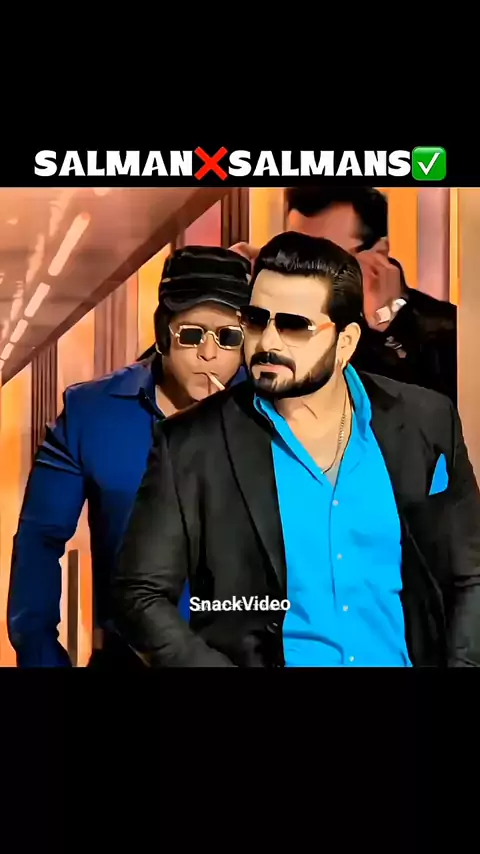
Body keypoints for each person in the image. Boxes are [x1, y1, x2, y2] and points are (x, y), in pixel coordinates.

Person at [112, 231, 480, 668]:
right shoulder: (190, 443)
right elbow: (139, 596)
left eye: (293, 326)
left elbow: (470, 574)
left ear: (346, 343)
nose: (267, 342)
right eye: (256, 320)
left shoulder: (425, 420)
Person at [7, 245, 252, 668]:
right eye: (192, 335)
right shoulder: (91, 412)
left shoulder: (273, 413)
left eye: (228, 337)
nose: (209, 354)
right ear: (162, 333)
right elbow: (39, 540)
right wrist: (41, 657)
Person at [232, 188, 457, 404]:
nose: (301, 269)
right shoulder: (269, 308)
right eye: (295, 252)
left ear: (378, 253)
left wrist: (388, 323)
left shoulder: (448, 330)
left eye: (324, 258)